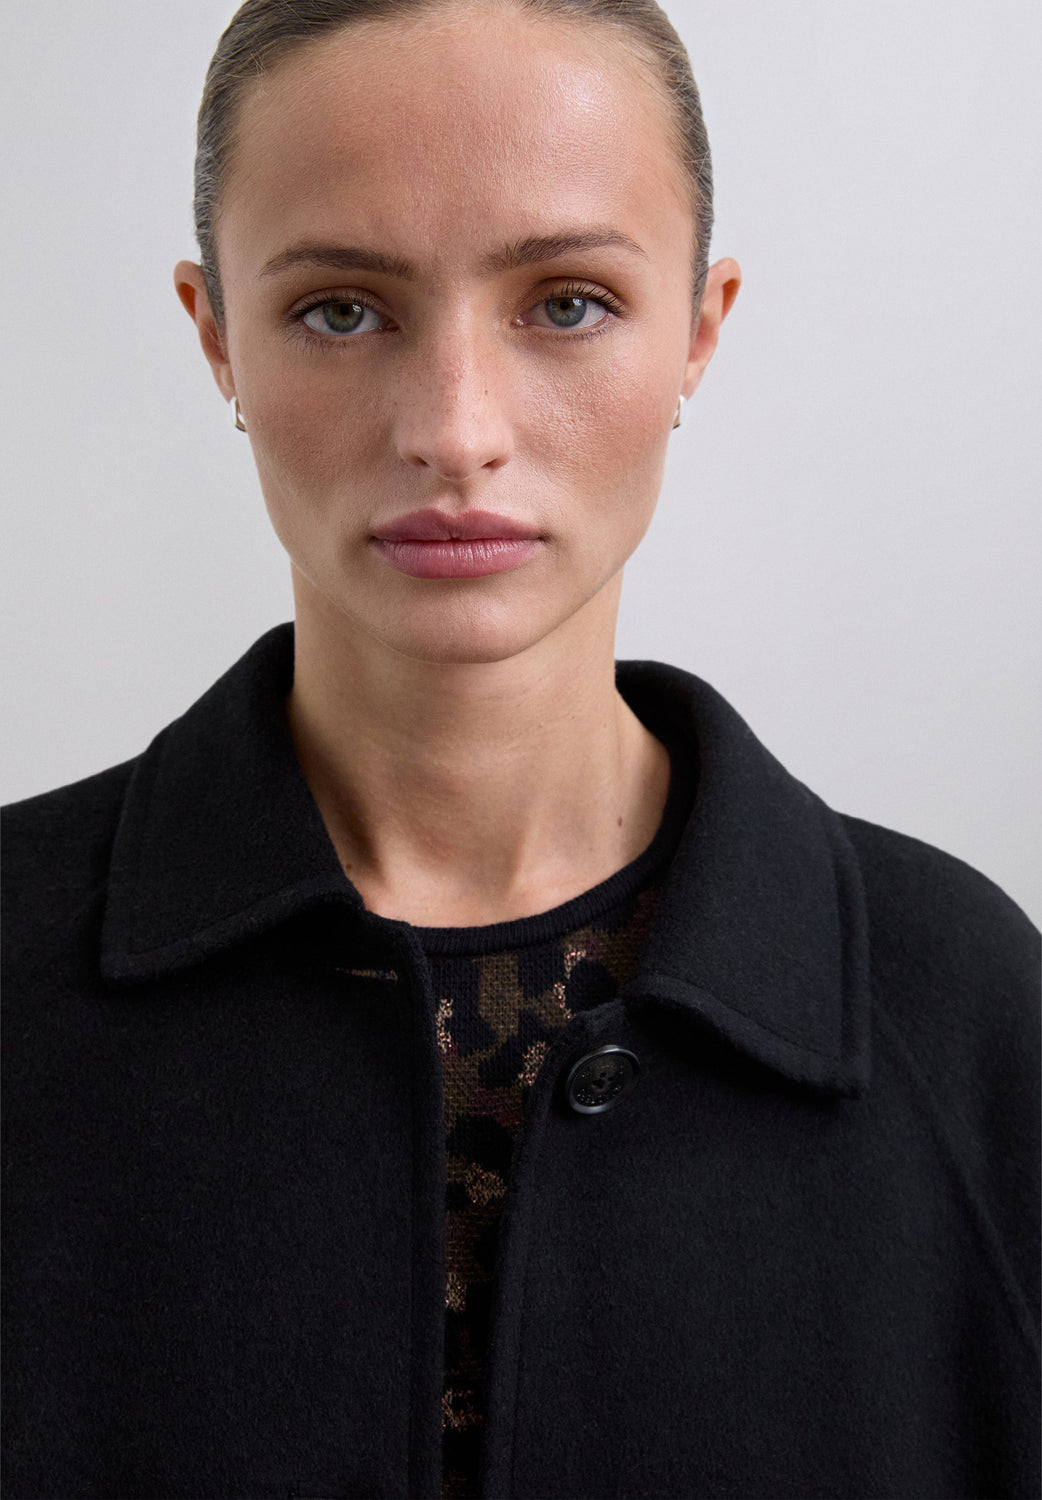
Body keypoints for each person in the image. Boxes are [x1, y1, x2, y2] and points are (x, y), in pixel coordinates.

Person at [2, 0, 1038, 1496]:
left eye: (566, 303)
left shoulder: (966, 1007)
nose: (456, 429)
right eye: (340, 310)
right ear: (215, 333)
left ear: (698, 331)